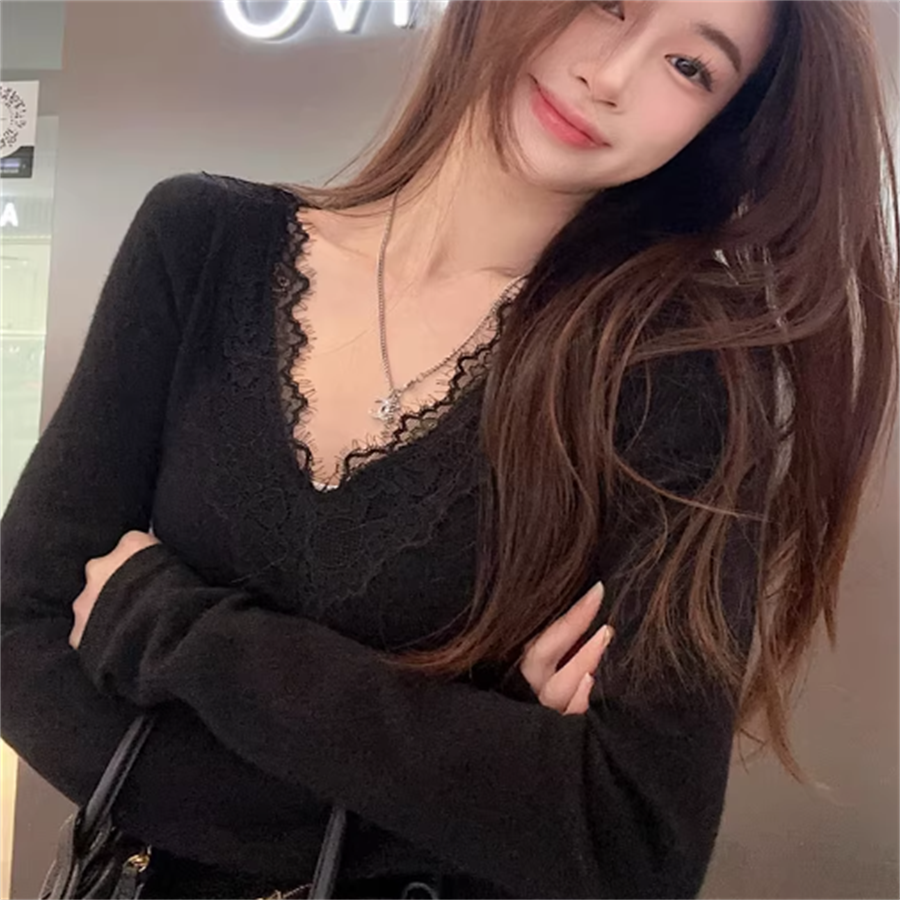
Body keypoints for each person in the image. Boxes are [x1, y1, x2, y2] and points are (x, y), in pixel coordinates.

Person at [1, 0, 897, 898]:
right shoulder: (200, 244)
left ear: (720, 121)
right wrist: (476, 780)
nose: (611, 76)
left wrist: (169, 625)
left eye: (690, 67)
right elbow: (17, 634)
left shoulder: (674, 372)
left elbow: (632, 842)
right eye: (608, 2)